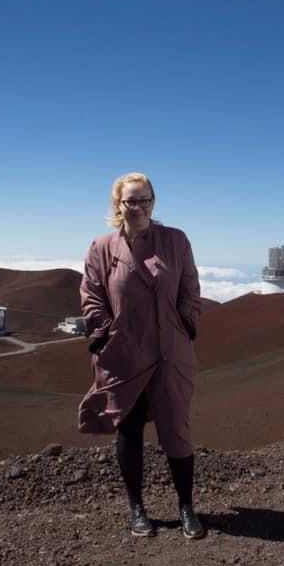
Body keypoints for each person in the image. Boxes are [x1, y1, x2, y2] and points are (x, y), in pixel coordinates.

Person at [77, 172, 205, 539]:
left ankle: (186, 508)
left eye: (145, 200)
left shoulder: (175, 241)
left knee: (176, 427)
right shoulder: (102, 248)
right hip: (125, 353)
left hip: (169, 351)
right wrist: (104, 331)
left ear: (154, 201)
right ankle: (137, 509)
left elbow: (190, 285)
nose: (139, 207)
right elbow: (92, 294)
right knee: (129, 429)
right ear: (118, 205)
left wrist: (187, 321)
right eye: (131, 201)